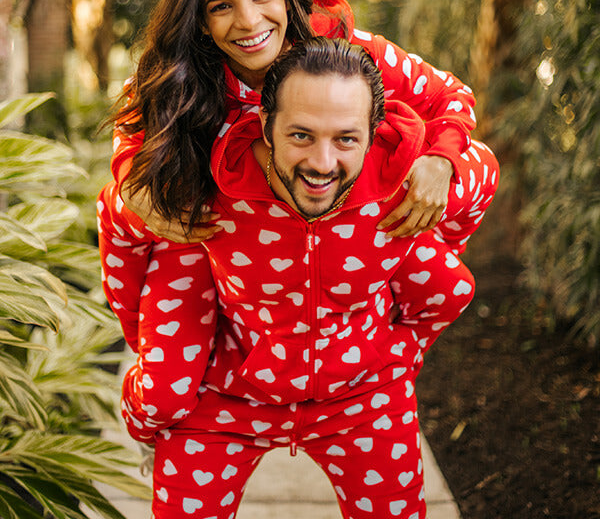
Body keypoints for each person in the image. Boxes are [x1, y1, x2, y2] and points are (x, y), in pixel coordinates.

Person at [97, 37, 495, 518]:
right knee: (163, 402)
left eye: (346, 138)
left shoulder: (403, 185)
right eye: (300, 136)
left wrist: (394, 352)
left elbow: (478, 189)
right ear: (265, 126)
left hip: (362, 395)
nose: (321, 164)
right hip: (226, 395)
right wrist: (141, 342)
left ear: (373, 133)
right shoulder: (208, 185)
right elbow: (118, 221)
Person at [109, 0, 496, 250]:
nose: (248, 20)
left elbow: (450, 94)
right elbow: (134, 120)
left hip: (356, 241)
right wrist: (128, 182)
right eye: (221, 6)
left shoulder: (346, 52)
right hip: (237, 254)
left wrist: (442, 160)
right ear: (201, 24)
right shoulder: (185, 74)